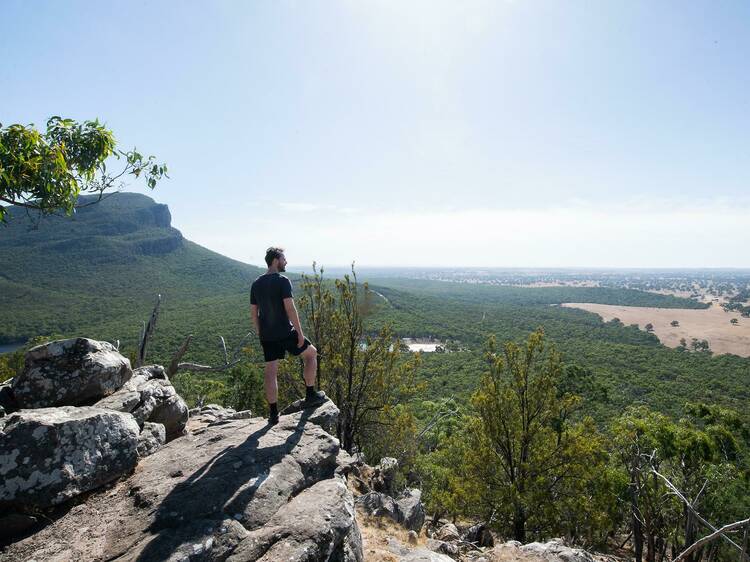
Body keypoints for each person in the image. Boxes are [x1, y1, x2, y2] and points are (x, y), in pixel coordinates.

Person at [250, 247, 326, 425]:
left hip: (267, 334)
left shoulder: (256, 283)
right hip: (285, 331)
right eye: (284, 258)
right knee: (311, 354)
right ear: (276, 260)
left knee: (270, 371)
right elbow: (290, 309)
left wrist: (260, 332)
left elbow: (254, 313)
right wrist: (300, 333)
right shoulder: (283, 281)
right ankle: (310, 394)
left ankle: (273, 414)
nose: (286, 262)